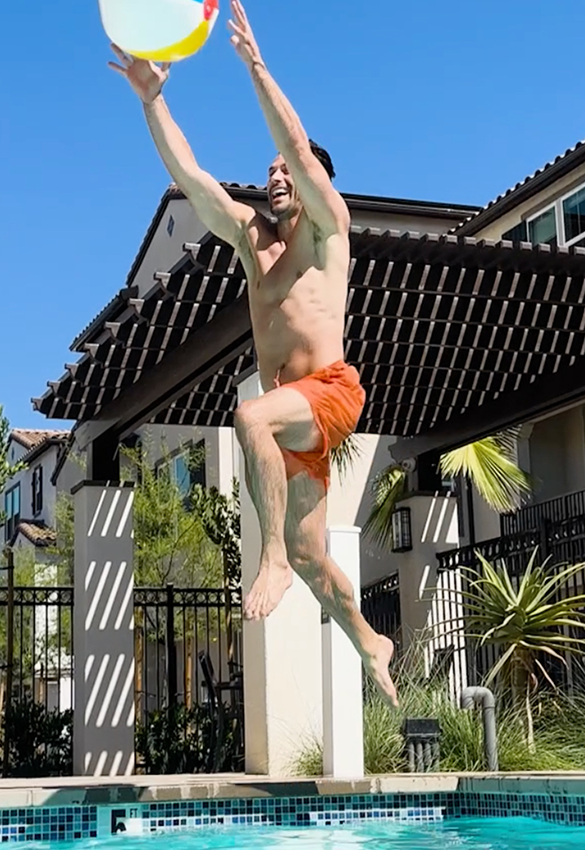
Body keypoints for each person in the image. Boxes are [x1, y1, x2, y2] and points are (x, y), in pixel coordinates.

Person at [109, 0, 397, 705]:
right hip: (295, 419)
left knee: (251, 420)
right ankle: (371, 639)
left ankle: (263, 556)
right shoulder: (253, 239)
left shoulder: (329, 229)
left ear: (315, 182)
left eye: (285, 170)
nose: (274, 175)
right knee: (310, 554)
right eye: (266, 169)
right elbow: (196, 180)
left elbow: (299, 148)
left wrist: (255, 66)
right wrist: (152, 103)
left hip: (329, 392)